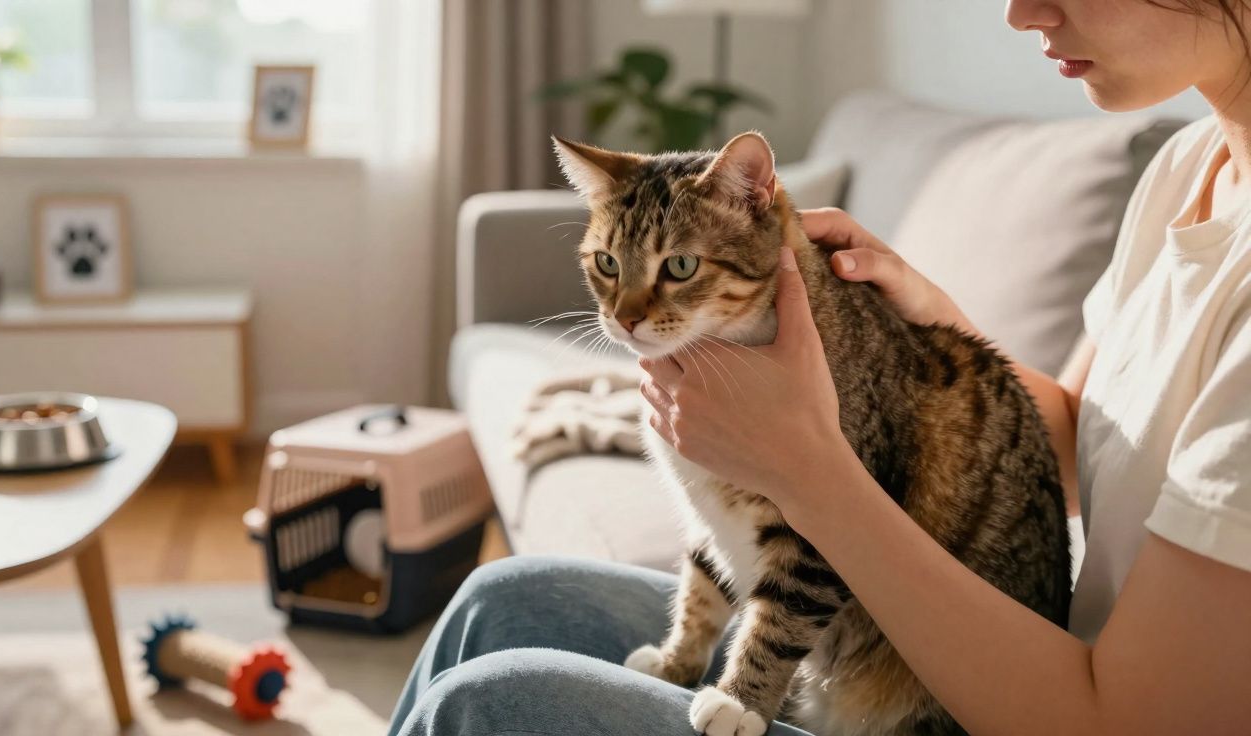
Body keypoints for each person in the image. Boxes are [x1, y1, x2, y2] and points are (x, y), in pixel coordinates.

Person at [390, 1, 1251, 733]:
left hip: (977, 709)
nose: (1019, 13)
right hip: (905, 651)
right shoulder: (1186, 169)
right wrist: (922, 321)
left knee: (486, 700)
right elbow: (1083, 442)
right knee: (500, 600)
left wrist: (800, 465)